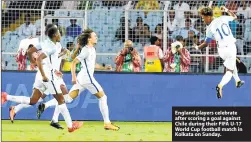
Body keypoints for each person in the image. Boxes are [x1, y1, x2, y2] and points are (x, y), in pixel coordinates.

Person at [2, 26, 83, 132]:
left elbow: (30, 51)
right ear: (54, 35)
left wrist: (33, 63)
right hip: (48, 77)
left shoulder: (45, 43)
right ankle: (70, 126)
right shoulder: (53, 47)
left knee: (33, 100)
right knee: (62, 100)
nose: (60, 35)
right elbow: (40, 58)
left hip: (41, 76)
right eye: (59, 33)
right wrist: (45, 74)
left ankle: (6, 96)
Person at [37, 29, 120, 131]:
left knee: (67, 99)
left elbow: (92, 64)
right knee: (103, 98)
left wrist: (104, 68)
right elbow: (74, 62)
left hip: (83, 77)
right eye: (94, 36)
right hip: (87, 78)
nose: (96, 37)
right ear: (89, 39)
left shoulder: (91, 49)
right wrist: (73, 77)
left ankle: (45, 105)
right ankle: (107, 123)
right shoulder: (86, 50)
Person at [194, 6, 245, 99]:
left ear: (208, 17)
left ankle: (237, 81)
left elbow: (206, 44)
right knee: (229, 71)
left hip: (221, 50)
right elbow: (235, 17)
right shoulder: (222, 18)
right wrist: (226, 10)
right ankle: (220, 86)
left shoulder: (209, 28)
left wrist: (197, 47)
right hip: (230, 47)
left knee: (232, 62)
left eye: (203, 18)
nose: (203, 20)